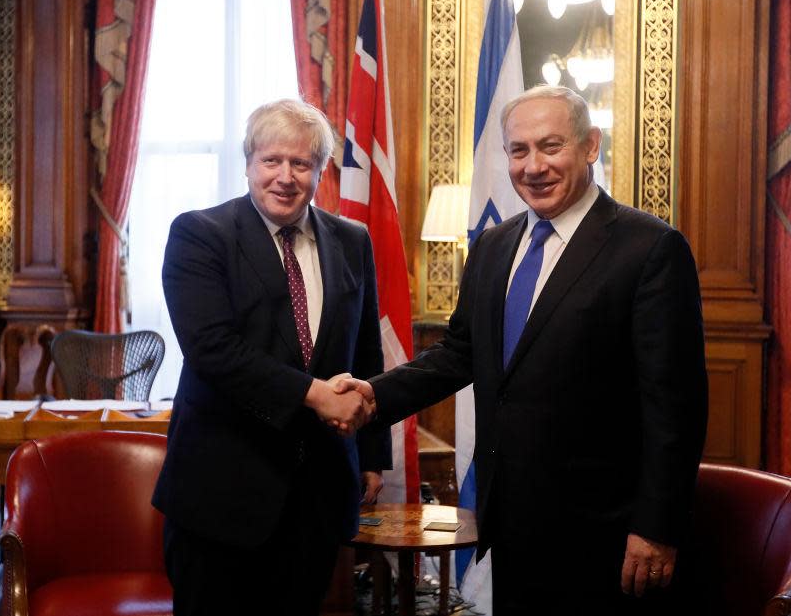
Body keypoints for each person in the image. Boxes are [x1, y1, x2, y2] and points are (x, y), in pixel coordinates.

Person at [340, 85, 708, 614]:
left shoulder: (650, 248)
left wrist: (655, 527)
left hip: (605, 528)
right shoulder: (494, 244)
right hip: (511, 518)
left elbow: (676, 408)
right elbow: (459, 352)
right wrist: (371, 396)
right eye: (519, 151)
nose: (533, 166)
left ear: (590, 146)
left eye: (551, 146)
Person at [152, 98, 391, 615]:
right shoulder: (199, 235)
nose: (285, 176)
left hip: (317, 495)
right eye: (272, 161)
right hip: (221, 496)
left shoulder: (352, 240)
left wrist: (372, 455)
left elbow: (364, 348)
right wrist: (316, 395)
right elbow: (213, 350)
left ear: (319, 171)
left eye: (301, 163)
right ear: (248, 164)